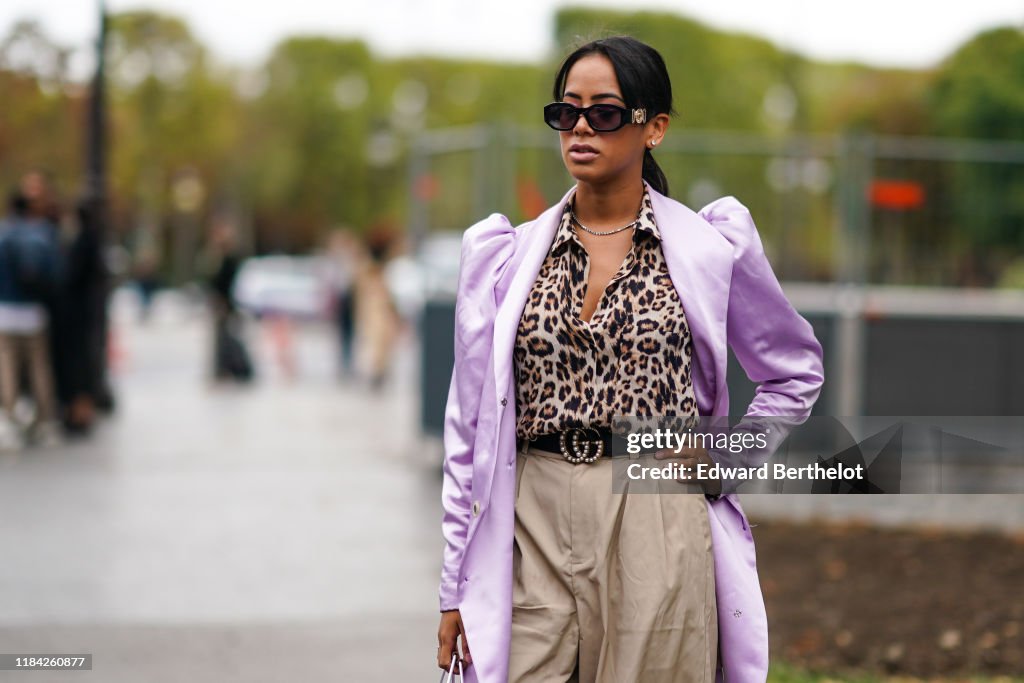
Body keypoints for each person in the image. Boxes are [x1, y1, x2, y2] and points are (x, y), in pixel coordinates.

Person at [435, 36, 824, 683]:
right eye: (567, 112)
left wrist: (729, 457)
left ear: (655, 127)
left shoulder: (708, 246)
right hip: (531, 508)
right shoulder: (504, 256)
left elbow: (793, 369)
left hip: (656, 500)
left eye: (606, 112)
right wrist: (453, 584)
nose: (581, 127)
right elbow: (466, 428)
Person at [0, 189, 62, 451]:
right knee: (39, 368)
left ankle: (10, 417)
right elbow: (55, 273)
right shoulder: (42, 235)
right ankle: (45, 419)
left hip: (6, 311)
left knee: (8, 369)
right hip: (34, 312)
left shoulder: (3, 235)